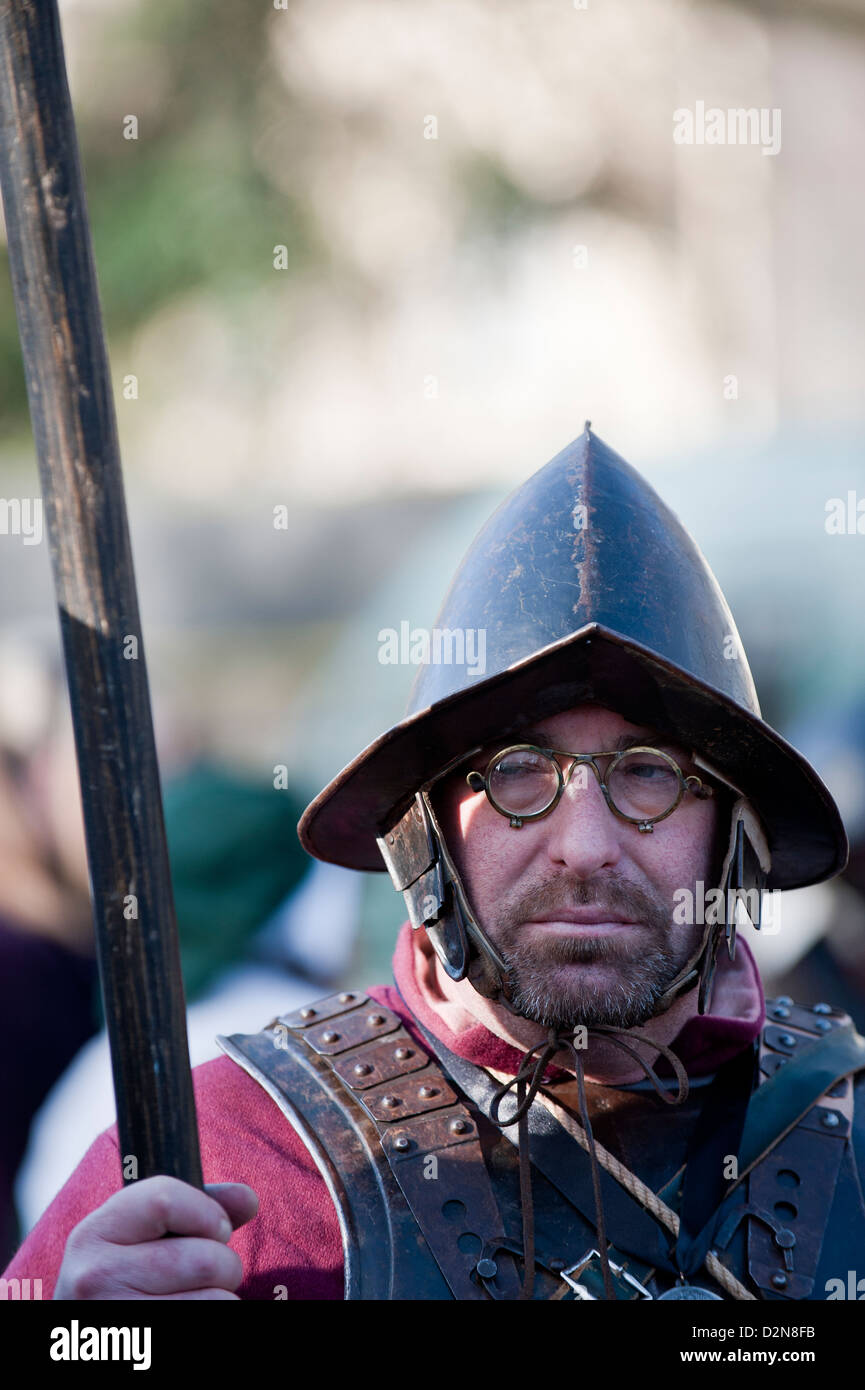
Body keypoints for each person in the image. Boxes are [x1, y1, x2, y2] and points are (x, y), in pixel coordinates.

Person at [4, 425, 863, 1301]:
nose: (586, 845)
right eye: (514, 775)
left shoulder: (849, 1124)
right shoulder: (223, 1155)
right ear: (423, 832)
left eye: (649, 776)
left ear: (731, 833)